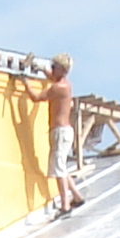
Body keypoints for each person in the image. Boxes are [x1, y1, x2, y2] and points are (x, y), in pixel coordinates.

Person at [33, 53, 85, 214]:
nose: (51, 69)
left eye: (54, 67)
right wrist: (41, 69)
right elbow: (53, 78)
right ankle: (76, 196)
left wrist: (24, 82)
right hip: (64, 131)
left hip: (60, 132)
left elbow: (36, 97)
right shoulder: (65, 85)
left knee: (58, 169)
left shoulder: (58, 88)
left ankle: (65, 205)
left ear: (62, 70)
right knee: (60, 165)